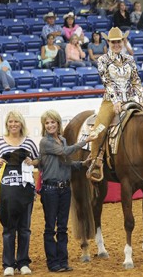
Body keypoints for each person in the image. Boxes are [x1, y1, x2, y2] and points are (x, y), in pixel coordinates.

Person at [39, 109, 97, 273]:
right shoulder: (45, 142)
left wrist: (82, 164)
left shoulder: (63, 139)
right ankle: (53, 262)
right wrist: (85, 141)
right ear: (44, 126)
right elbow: (65, 152)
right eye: (47, 123)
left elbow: (66, 162)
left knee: (62, 227)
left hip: (64, 188)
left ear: (58, 124)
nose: (50, 125)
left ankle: (63, 261)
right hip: (50, 189)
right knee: (51, 227)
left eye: (53, 122)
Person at [86, 27, 143, 181]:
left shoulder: (130, 60)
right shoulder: (102, 60)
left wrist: (142, 101)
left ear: (122, 41)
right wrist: (116, 101)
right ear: (109, 42)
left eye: (118, 41)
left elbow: (136, 81)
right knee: (100, 127)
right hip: (110, 101)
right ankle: (95, 161)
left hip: (131, 100)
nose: (116, 44)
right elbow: (107, 82)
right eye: (113, 42)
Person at [0, 110, 39, 276]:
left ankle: (23, 263)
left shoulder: (29, 142)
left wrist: (32, 161)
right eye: (10, 122)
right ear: (7, 124)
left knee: (24, 228)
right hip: (6, 190)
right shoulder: (0, 142)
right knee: (9, 228)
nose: (13, 124)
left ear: (21, 123)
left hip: (25, 190)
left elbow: (38, 160)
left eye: (16, 121)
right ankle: (8, 264)